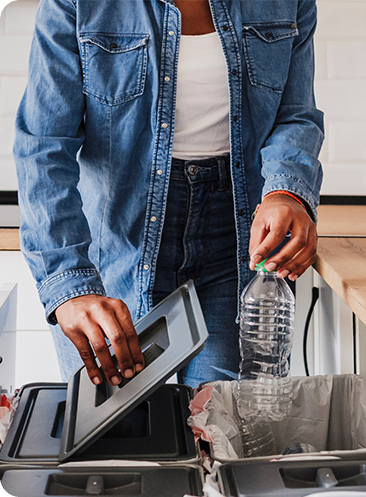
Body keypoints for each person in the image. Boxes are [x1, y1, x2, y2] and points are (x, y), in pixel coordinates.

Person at [13, 0, 324, 388]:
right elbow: (44, 146)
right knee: (117, 434)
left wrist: (287, 193)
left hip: (238, 244)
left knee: (222, 429)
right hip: (118, 243)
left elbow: (295, 113)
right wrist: (70, 284)